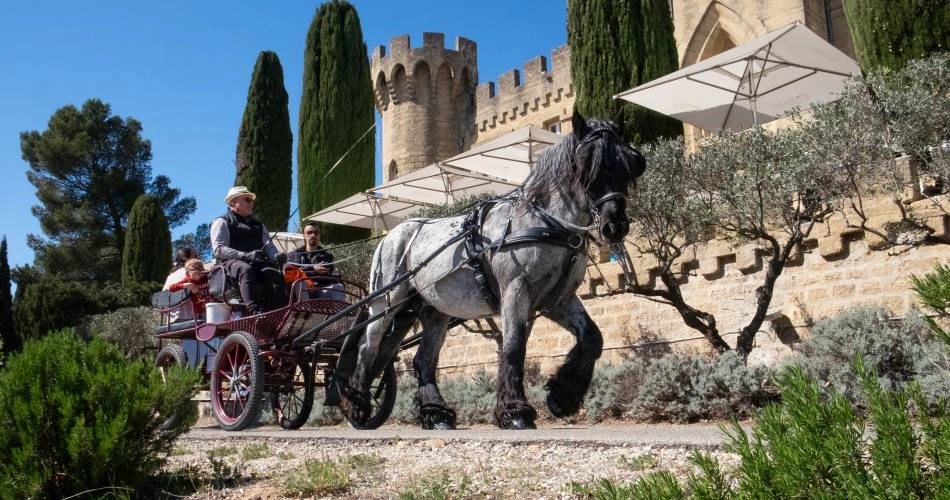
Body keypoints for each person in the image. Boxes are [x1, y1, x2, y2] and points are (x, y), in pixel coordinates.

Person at [210, 186, 288, 315]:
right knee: (245, 269)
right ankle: (255, 312)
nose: (251, 203)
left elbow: (269, 246)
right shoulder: (222, 221)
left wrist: (276, 256)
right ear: (233, 203)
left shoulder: (259, 225)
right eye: (247, 200)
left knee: (274, 274)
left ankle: (280, 314)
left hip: (258, 263)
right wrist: (245, 255)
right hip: (231, 263)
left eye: (251, 201)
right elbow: (219, 249)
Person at [288, 221, 345, 301]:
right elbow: (292, 273)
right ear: (304, 236)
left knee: (339, 287)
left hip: (320, 290)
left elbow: (326, 272)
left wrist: (303, 271)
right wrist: (313, 269)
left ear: (319, 236)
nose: (313, 235)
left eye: (316, 233)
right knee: (300, 282)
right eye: (309, 232)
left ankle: (339, 313)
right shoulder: (293, 255)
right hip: (301, 290)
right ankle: (305, 312)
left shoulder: (327, 257)